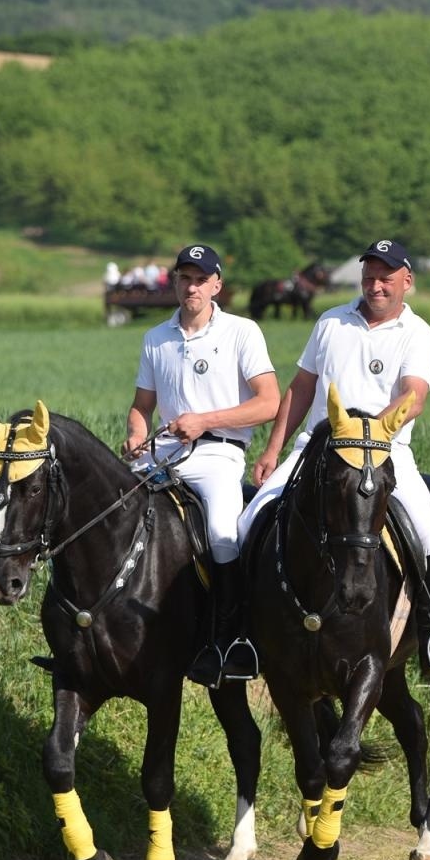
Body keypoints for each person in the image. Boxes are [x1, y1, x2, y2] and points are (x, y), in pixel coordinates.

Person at [239, 239, 430, 675]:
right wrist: (272, 450)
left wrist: (369, 435)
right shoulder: (330, 322)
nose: (375, 285)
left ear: (407, 280)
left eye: (385, 277)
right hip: (317, 450)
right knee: (247, 524)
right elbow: (301, 389)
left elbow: (413, 397)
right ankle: (241, 635)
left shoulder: (418, 334)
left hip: (388, 450)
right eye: (369, 277)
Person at [124, 244, 280, 686]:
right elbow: (141, 407)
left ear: (217, 285)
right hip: (163, 452)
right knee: (110, 510)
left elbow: (268, 403)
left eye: (200, 279)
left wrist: (205, 421)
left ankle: (231, 640)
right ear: (174, 282)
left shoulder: (241, 332)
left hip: (218, 452)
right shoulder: (156, 337)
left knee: (223, 535)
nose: (191, 287)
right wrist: (136, 435)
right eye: (183, 278)